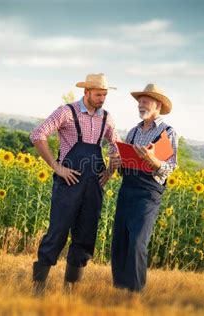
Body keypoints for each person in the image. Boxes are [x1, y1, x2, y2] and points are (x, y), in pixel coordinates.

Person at [30, 73, 120, 294]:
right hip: (68, 183)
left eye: (105, 95)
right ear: (86, 92)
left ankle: (69, 291)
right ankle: (38, 288)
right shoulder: (66, 112)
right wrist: (57, 166)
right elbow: (37, 135)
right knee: (57, 233)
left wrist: (110, 171)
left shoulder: (107, 118)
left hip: (93, 186)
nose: (102, 99)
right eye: (98, 94)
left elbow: (115, 147)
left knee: (85, 235)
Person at [111, 83, 178, 292]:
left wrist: (153, 160)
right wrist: (118, 162)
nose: (140, 104)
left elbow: (170, 168)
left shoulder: (168, 132)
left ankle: (135, 291)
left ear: (157, 105)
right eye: (139, 100)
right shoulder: (132, 132)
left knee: (138, 241)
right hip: (127, 188)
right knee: (120, 241)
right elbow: (124, 166)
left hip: (148, 193)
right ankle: (119, 289)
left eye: (145, 100)